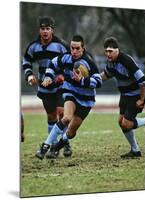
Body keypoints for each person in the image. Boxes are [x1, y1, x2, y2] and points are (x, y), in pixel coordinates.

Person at [35, 35, 102, 160]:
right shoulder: (66, 58)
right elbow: (52, 64)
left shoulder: (89, 63)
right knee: (66, 117)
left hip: (86, 100)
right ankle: (45, 146)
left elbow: (98, 82)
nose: (74, 51)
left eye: (77, 48)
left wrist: (83, 80)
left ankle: (58, 146)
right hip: (70, 92)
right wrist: (49, 76)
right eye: (72, 48)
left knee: (71, 132)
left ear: (83, 48)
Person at [22, 16, 72, 157]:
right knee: (51, 116)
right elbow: (26, 61)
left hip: (61, 86)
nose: (45, 31)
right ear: (39, 30)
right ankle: (53, 146)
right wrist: (29, 75)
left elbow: (70, 61)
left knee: (62, 113)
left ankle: (65, 144)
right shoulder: (33, 46)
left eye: (48, 29)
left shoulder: (61, 45)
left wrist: (63, 74)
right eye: (43, 29)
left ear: (52, 30)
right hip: (44, 86)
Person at [100, 37, 145, 159]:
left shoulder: (126, 61)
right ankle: (135, 151)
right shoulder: (110, 62)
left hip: (136, 95)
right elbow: (106, 75)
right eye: (106, 51)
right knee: (121, 122)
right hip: (125, 95)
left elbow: (143, 81)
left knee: (126, 124)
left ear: (118, 50)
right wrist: (90, 80)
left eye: (111, 51)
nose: (108, 54)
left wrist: (142, 100)